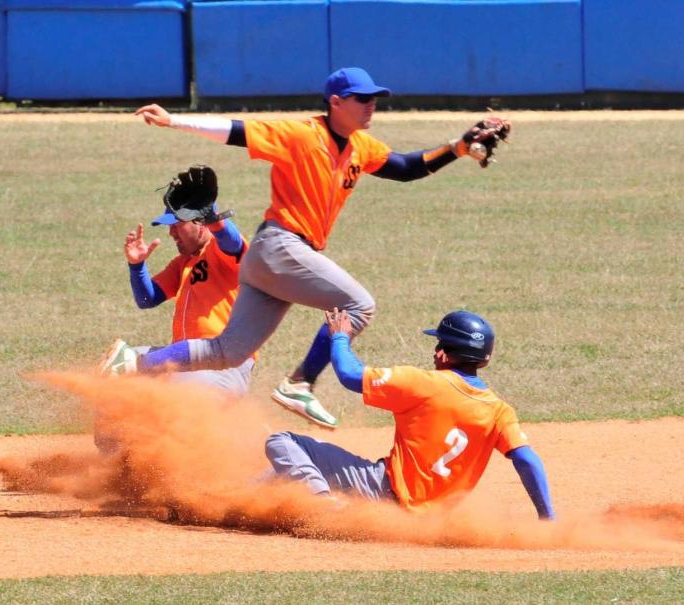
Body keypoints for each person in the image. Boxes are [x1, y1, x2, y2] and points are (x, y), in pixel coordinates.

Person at [121, 66, 511, 430]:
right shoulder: (303, 134)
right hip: (281, 245)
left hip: (272, 260)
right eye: (362, 98)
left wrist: (458, 147)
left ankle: (136, 364)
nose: (371, 104)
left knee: (228, 351)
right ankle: (300, 382)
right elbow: (237, 130)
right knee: (360, 305)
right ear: (336, 103)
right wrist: (174, 120)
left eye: (374, 98)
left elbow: (407, 168)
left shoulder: (360, 146)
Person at [265, 309, 555, 519]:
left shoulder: (424, 384)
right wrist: (547, 518)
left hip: (382, 490)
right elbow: (527, 459)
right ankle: (233, 503)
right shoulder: (499, 411)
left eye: (438, 343)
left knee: (281, 442)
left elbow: (349, 374)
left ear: (443, 353)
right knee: (273, 477)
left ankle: (323, 509)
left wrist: (339, 338)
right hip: (428, 521)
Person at [99, 165, 255, 397]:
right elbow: (147, 299)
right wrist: (137, 265)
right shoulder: (183, 263)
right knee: (115, 374)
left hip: (224, 365)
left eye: (177, 225)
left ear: (200, 222)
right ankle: (118, 434)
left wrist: (214, 217)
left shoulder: (223, 252)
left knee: (174, 385)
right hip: (184, 359)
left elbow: (233, 243)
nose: (171, 232)